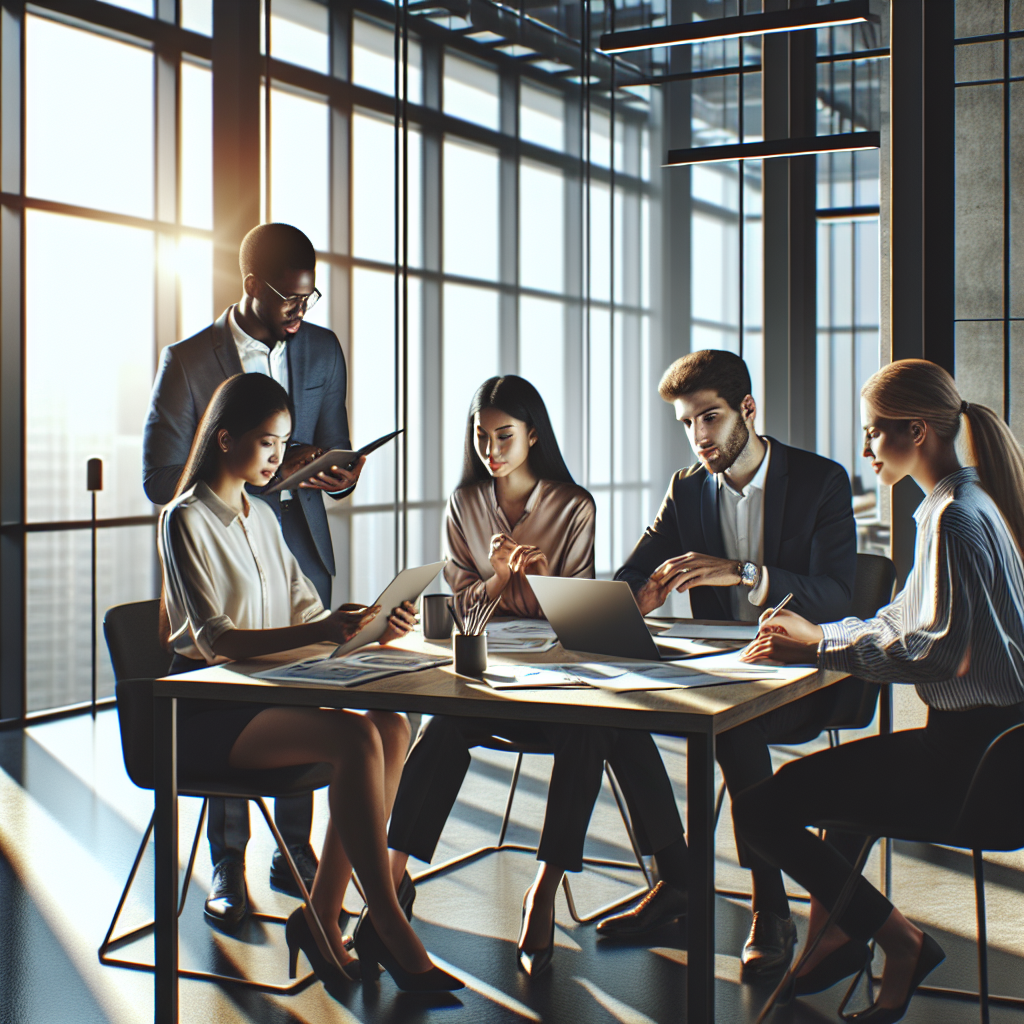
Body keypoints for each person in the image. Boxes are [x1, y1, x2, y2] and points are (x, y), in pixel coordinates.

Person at [734, 359, 1024, 1023]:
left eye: (873, 434)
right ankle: (841, 941)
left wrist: (818, 647)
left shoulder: (952, 519)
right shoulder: (963, 504)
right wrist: (822, 630)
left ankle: (899, 943)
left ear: (916, 431)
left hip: (973, 769)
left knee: (760, 812)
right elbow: (901, 619)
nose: (864, 450)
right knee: (839, 797)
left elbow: (942, 653)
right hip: (989, 747)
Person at [159, 372, 461, 994]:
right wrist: (324, 627)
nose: (281, 457)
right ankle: (384, 920)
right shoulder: (184, 520)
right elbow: (218, 641)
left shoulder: (264, 516)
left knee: (390, 724)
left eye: (284, 443)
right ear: (223, 440)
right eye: (269, 443)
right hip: (206, 709)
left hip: (271, 693)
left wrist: (368, 626)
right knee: (353, 742)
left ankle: (320, 916)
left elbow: (303, 616)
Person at [385, 376, 688, 975]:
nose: (491, 450)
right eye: (481, 438)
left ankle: (544, 887)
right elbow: (462, 614)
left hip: (558, 678)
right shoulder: (464, 505)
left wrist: (550, 586)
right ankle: (390, 885)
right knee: (441, 727)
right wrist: (499, 579)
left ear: (533, 436)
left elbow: (580, 616)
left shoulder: (574, 506)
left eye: (504, 436)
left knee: (589, 727)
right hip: (489, 677)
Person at [596, 349, 858, 976]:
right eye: (686, 424)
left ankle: (770, 903)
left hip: (804, 671)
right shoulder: (687, 489)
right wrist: (643, 594)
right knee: (610, 714)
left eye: (709, 419)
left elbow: (839, 594)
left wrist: (745, 573)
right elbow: (632, 573)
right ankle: (677, 874)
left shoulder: (820, 480)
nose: (699, 437)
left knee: (732, 725)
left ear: (747, 409)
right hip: (723, 664)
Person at [143, 223, 359, 928]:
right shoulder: (188, 360)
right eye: (289, 300)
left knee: (318, 697)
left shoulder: (322, 349)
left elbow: (331, 443)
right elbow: (160, 477)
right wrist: (247, 475)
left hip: (288, 550)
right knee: (248, 694)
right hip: (221, 544)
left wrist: (328, 470)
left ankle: (297, 854)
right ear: (251, 287)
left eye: (309, 298)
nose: (301, 312)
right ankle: (228, 863)